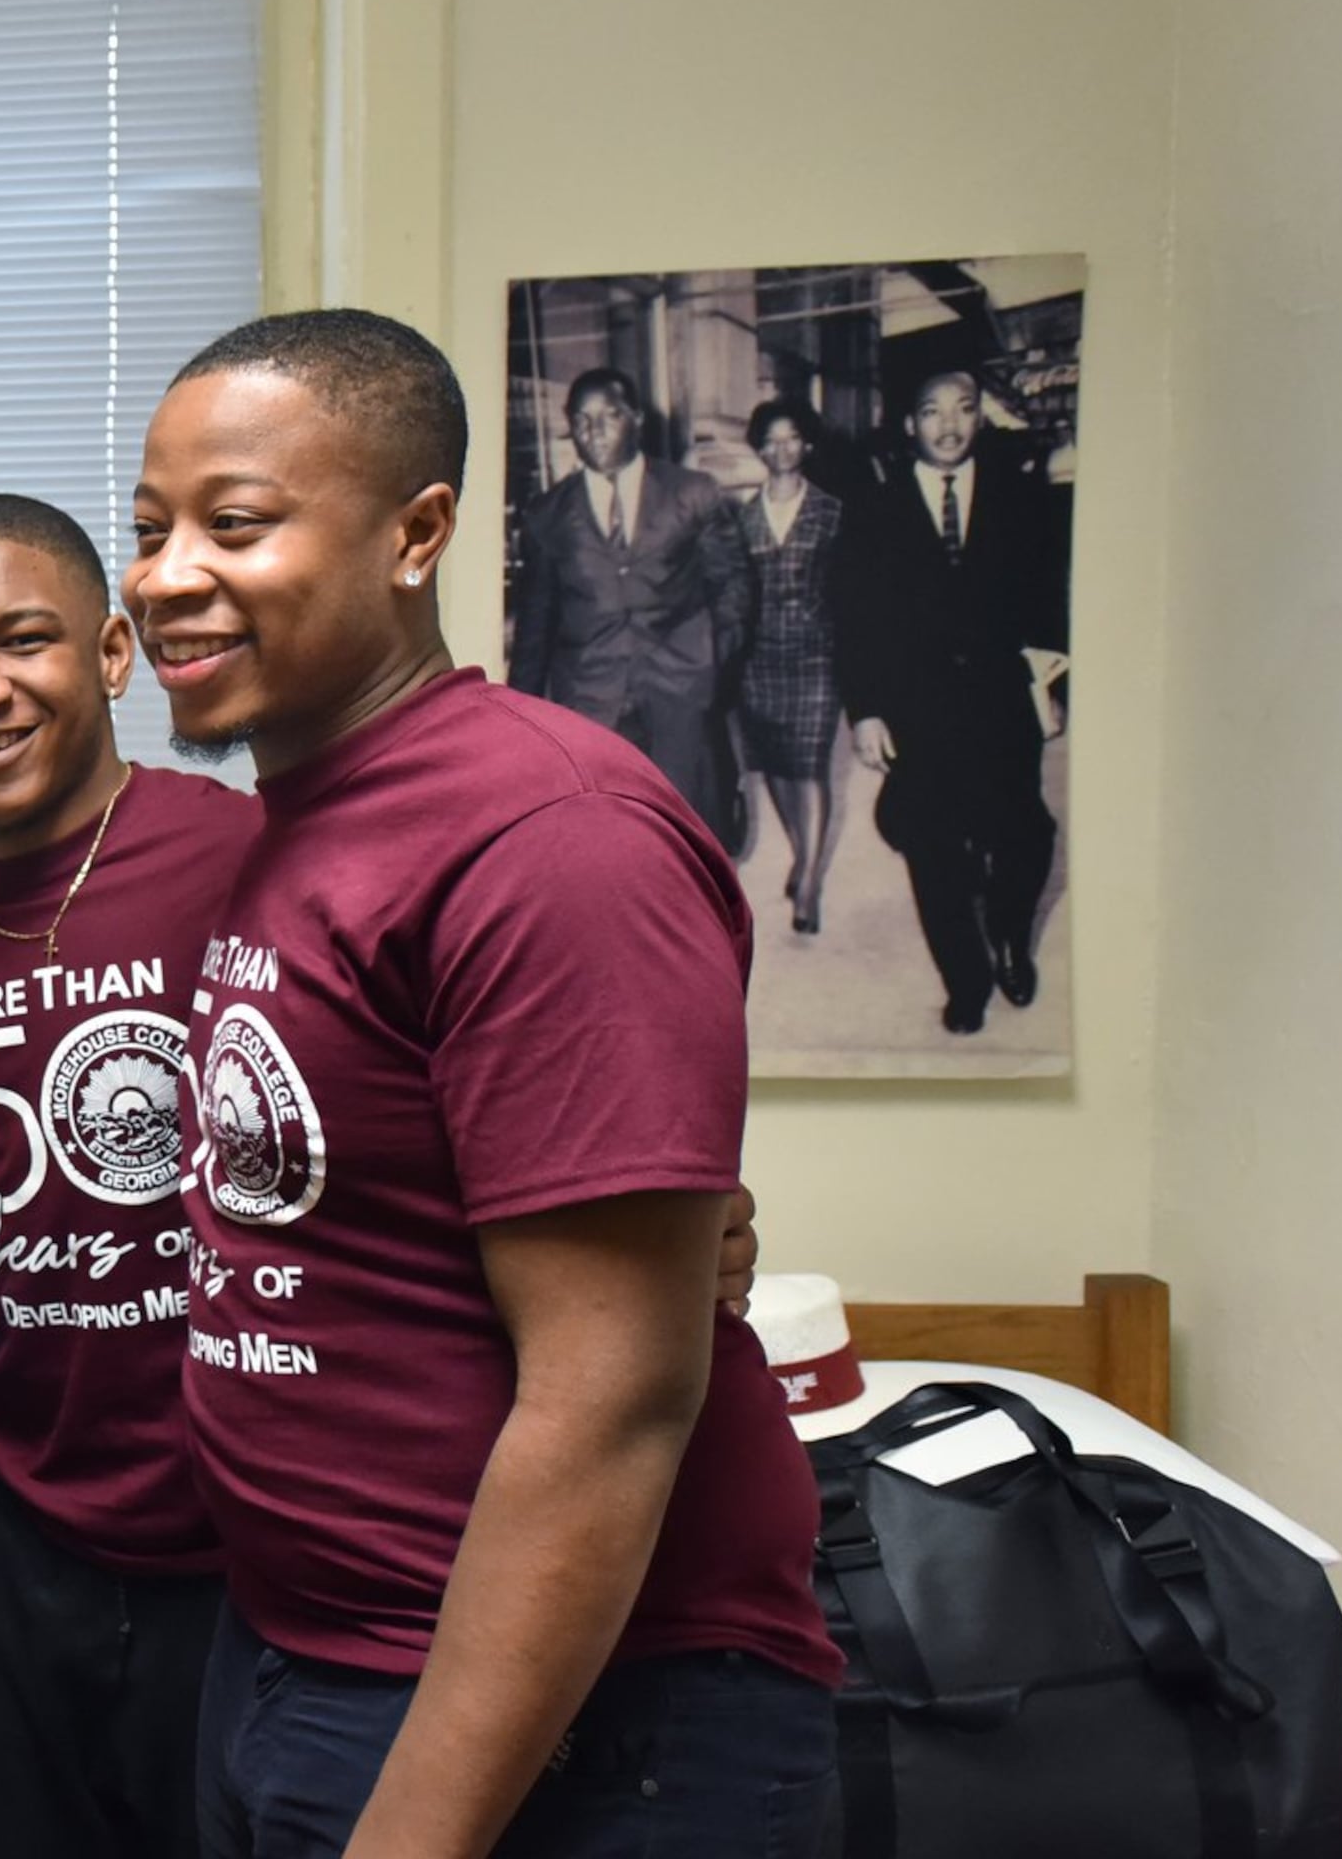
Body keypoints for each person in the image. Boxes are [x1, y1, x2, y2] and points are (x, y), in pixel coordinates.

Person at [125, 310, 840, 1856]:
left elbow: (613, 1399)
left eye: (234, 525)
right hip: (306, 1654)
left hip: (577, 1718)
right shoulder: (307, 823)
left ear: (417, 532)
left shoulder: (550, 836)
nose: (165, 573)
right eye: (150, 526)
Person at [0, 494, 254, 1859]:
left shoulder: (249, 858)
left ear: (113, 655)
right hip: (22, 1518)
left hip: (243, 1531)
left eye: (20, 639)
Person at [831, 369, 1070, 1035]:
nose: (949, 424)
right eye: (932, 411)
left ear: (980, 420)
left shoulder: (1021, 499)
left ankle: (1011, 939)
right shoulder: (873, 509)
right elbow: (852, 620)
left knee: (1024, 836)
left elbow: (1052, 597)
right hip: (918, 710)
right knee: (935, 851)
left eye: (964, 409)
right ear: (910, 424)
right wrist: (867, 711)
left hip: (1002, 702)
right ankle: (966, 980)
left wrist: (1052, 684)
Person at [507, 367, 748, 829]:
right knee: (607, 836)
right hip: (590, 701)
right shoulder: (546, 514)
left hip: (681, 692)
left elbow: (733, 588)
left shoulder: (693, 493)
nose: (594, 431)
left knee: (693, 829)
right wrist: (522, 717)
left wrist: (713, 666)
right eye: (581, 419)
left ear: (637, 418)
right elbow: (536, 626)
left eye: (609, 416)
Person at [730, 400, 849, 934]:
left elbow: (854, 590)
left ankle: (809, 885)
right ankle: (804, 851)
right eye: (771, 440)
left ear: (807, 444)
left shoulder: (832, 512)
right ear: (759, 448)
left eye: (792, 438)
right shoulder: (741, 517)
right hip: (758, 661)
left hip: (816, 656)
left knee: (810, 765)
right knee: (775, 764)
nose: (782, 449)